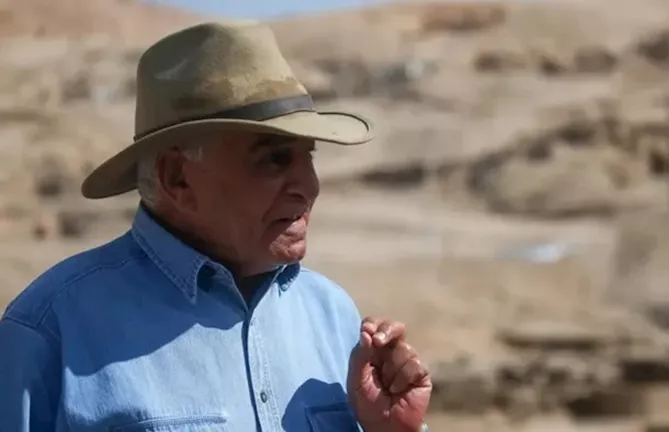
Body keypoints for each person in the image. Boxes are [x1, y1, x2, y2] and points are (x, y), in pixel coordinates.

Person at [0, 20, 432, 432]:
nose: (309, 187)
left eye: (309, 157)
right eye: (274, 159)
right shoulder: (51, 330)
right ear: (177, 178)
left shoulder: (332, 316)